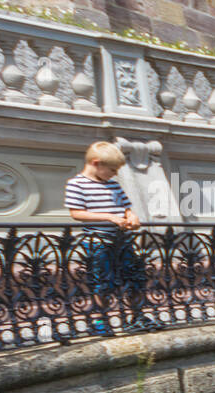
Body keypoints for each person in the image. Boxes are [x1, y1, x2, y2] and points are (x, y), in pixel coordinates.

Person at [65, 141, 162, 336]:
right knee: (102, 281)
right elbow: (76, 213)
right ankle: (101, 320)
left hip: (122, 240)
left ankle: (136, 316)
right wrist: (108, 217)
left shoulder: (113, 185)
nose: (115, 174)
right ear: (96, 163)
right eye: (112, 169)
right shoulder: (76, 184)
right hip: (99, 241)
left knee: (134, 277)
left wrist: (131, 216)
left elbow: (126, 207)